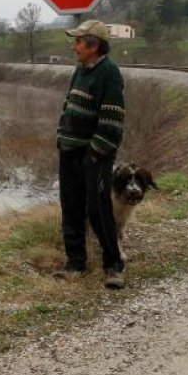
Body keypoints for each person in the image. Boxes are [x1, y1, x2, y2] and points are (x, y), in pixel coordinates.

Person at [56, 19, 126, 289]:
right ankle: (75, 263)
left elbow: (112, 119)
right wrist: (60, 137)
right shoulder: (80, 70)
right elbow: (68, 105)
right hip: (69, 150)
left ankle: (113, 266)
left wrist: (95, 152)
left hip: (93, 154)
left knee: (98, 211)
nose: (74, 46)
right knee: (71, 207)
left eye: (78, 41)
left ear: (93, 45)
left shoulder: (109, 73)